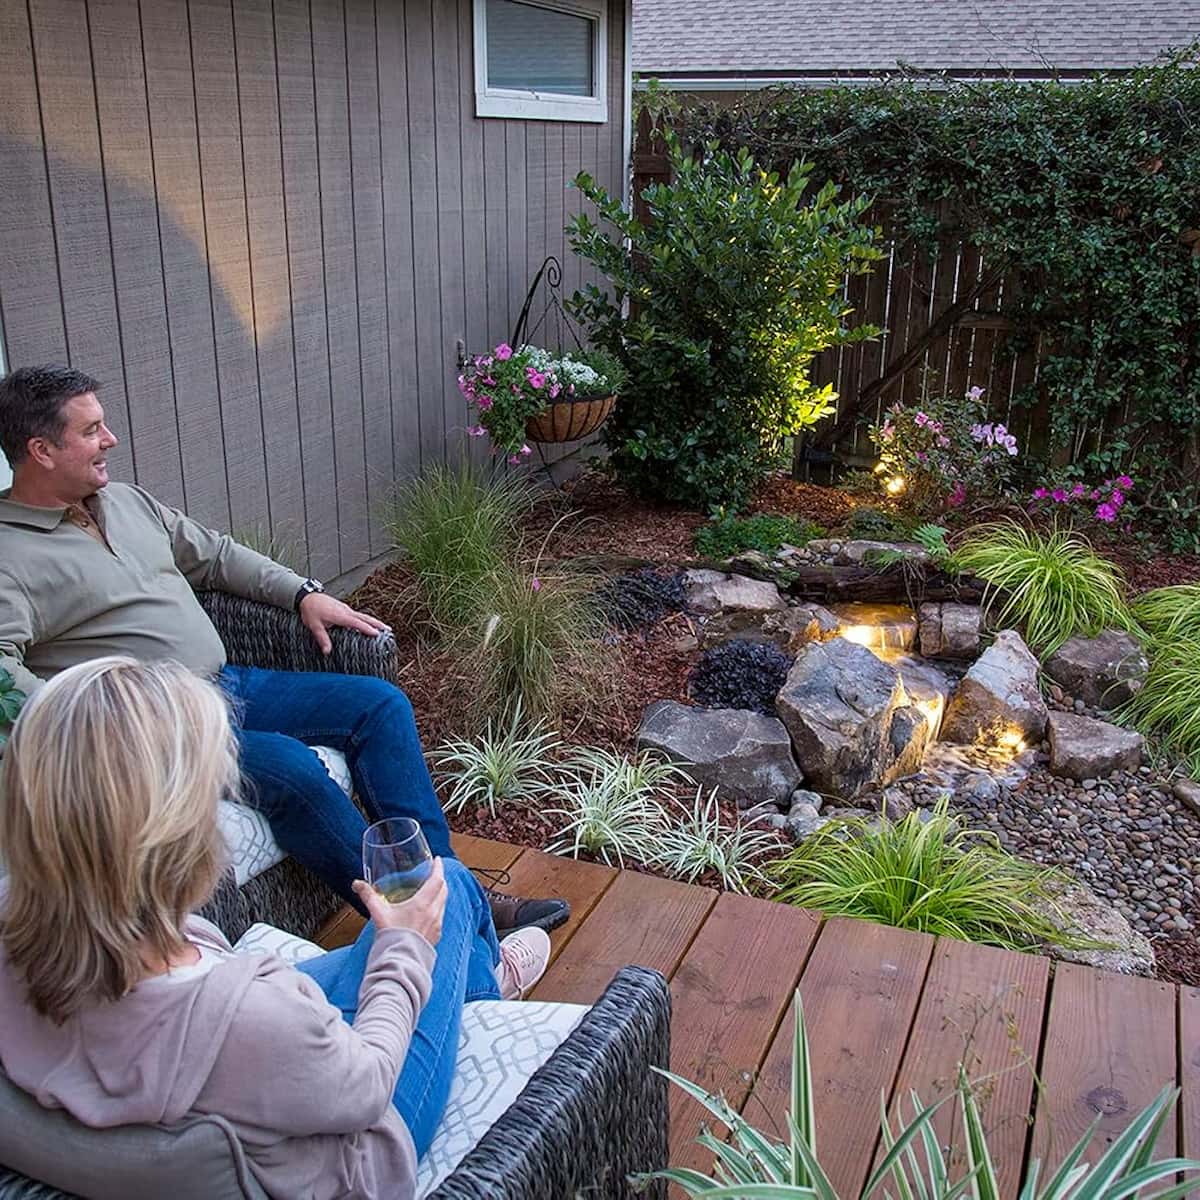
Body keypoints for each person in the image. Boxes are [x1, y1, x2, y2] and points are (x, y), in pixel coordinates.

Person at [0, 364, 565, 937]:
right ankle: (422, 919)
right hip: (161, 730)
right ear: (42, 449)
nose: (111, 440)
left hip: (229, 683)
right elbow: (3, 673)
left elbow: (216, 556)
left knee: (379, 704)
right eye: (93, 430)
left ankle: (450, 889)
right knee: (293, 770)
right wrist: (90, 723)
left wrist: (301, 594)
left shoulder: (123, 501)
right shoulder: (8, 554)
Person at [0, 656, 551, 1199]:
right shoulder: (258, 1018)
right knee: (446, 890)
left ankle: (464, 982)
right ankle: (477, 990)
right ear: (180, 840)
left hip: (181, 1047)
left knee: (417, 933)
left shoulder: (18, 932)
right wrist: (403, 947)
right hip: (359, 1149)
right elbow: (367, 1086)